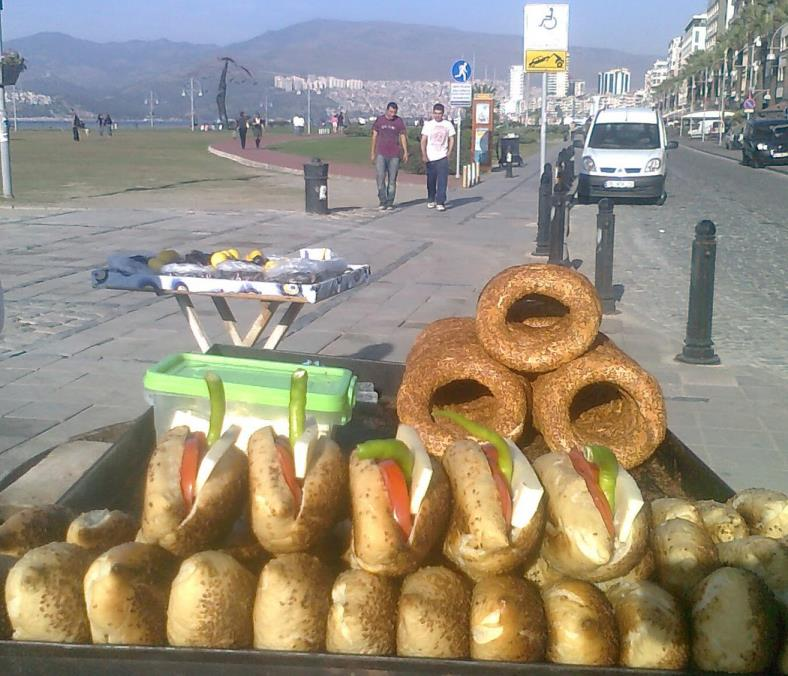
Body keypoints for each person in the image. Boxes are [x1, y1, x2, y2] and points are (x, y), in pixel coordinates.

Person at [371, 101, 408, 210]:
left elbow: (402, 136)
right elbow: (374, 136)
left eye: (394, 112)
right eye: (391, 112)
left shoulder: (398, 121)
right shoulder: (380, 120)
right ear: (387, 110)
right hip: (381, 153)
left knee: (392, 180)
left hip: (394, 154)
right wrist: (372, 152)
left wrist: (405, 151)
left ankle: (390, 201)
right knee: (380, 177)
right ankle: (382, 200)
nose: (392, 114)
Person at [420, 103, 455, 211]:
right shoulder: (428, 125)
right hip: (431, 157)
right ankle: (431, 199)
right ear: (433, 113)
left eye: (439, 114)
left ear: (443, 114)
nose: (437, 116)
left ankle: (440, 201)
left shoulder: (448, 125)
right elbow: (423, 140)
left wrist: (449, 152)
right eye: (435, 113)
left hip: (442, 156)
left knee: (442, 181)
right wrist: (424, 154)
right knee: (431, 180)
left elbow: (452, 139)